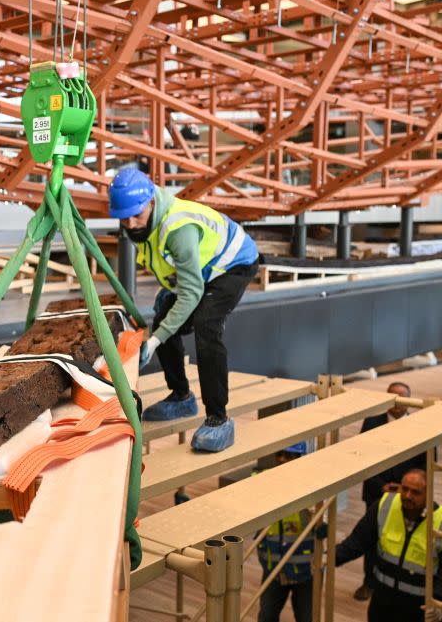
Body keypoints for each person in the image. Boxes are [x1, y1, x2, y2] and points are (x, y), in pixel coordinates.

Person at [108, 168, 259, 452]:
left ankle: (219, 419)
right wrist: (167, 295)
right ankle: (181, 398)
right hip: (203, 270)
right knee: (164, 317)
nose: (131, 224)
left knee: (206, 325)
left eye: (136, 215)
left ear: (152, 202)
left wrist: (154, 341)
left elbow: (191, 292)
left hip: (233, 264)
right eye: (123, 218)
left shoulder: (178, 229)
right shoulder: (145, 222)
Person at [337, 468, 442, 622]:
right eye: (404, 489)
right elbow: (357, 541)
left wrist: (438, 603)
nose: (407, 496)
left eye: (416, 492)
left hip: (418, 608)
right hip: (382, 602)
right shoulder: (385, 506)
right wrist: (329, 557)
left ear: (428, 493)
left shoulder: (439, 523)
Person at [354, 382, 427, 601]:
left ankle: (397, 584)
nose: (396, 403)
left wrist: (404, 488)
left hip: (409, 496)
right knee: (372, 537)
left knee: (403, 540)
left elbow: (426, 464)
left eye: (401, 398)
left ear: (410, 401)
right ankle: (369, 582)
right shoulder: (372, 422)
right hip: (376, 492)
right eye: (392, 398)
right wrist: (381, 486)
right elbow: (361, 457)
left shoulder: (420, 427)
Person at [256, 443, 318, 622]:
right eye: (279, 454)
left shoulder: (313, 487)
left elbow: (325, 519)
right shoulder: (264, 483)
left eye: (288, 456)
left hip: (305, 572)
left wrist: (323, 527)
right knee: (266, 617)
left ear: (299, 458)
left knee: (306, 617)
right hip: (273, 568)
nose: (282, 459)